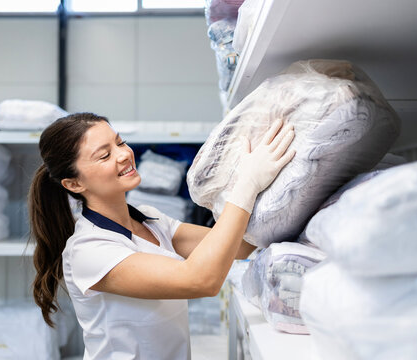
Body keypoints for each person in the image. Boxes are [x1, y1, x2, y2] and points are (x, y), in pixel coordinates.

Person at [28, 112, 295, 359]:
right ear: (74, 184)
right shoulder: (89, 250)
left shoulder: (149, 219)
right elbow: (201, 281)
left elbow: (240, 247)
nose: (123, 155)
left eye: (120, 142)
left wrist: (268, 184)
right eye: (104, 155)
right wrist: (247, 185)